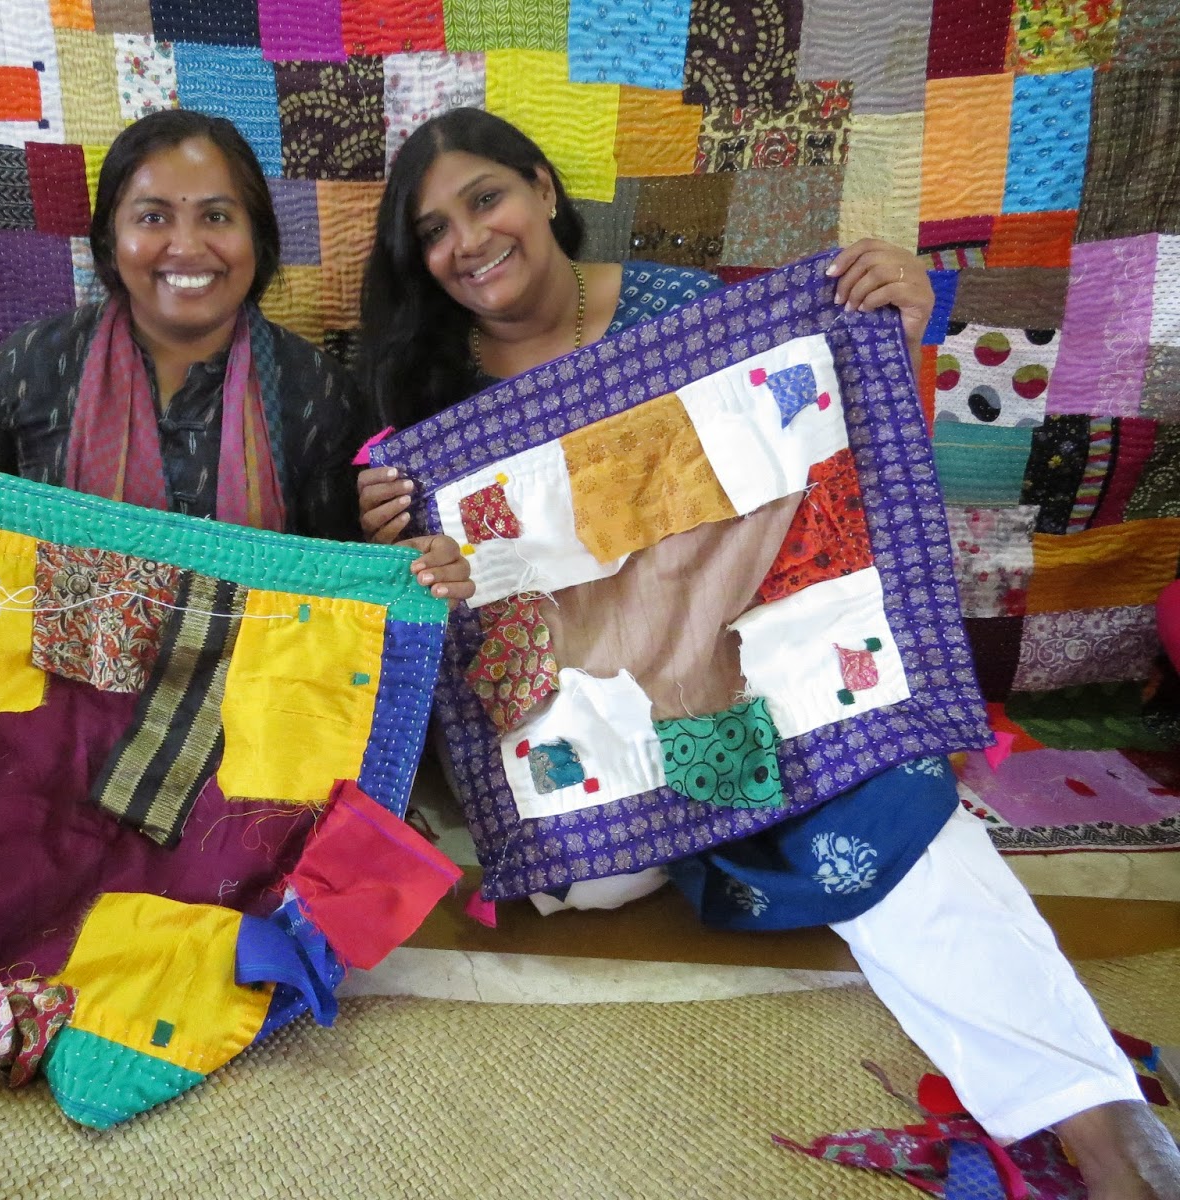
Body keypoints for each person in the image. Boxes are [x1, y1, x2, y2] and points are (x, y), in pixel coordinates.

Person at [355, 106, 1180, 1200]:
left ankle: (1099, 1121)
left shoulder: (674, 309)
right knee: (600, 872)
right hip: (604, 706)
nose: (466, 241)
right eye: (433, 230)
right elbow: (445, 632)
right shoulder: (427, 403)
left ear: (544, 191)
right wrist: (401, 558)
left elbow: (815, 454)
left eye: (484, 199)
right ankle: (775, 808)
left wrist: (896, 325)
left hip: (761, 653)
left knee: (887, 805)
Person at [0, 109, 470, 603]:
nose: (186, 247)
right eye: (153, 217)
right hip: (36, 698)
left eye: (217, 217)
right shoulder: (33, 365)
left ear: (258, 239)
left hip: (247, 712)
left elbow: (340, 588)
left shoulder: (315, 392)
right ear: (111, 239)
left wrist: (406, 557)